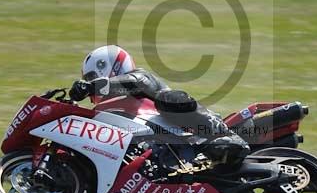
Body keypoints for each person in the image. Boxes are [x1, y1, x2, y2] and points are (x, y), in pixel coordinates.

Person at [69, 45, 249, 169]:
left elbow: (135, 83)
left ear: (109, 67)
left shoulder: (138, 77)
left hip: (191, 135)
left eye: (92, 77)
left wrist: (92, 87)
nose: (90, 82)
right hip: (164, 151)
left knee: (167, 98)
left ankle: (226, 136)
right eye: (88, 80)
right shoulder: (110, 111)